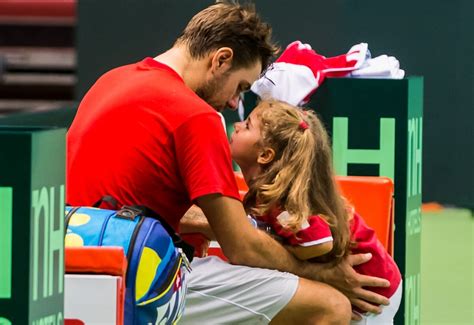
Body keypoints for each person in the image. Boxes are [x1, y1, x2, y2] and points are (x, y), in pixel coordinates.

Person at [67, 1, 389, 323]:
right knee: (329, 305)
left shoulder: (111, 80)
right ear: (221, 59)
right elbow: (242, 248)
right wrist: (323, 273)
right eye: (240, 87)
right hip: (131, 273)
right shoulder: (197, 116)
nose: (235, 102)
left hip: (71, 259)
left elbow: (124, 200)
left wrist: (230, 223)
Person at [230, 99, 402, 324]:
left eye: (248, 125)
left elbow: (318, 242)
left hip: (373, 292)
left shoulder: (284, 200)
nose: (236, 126)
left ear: (265, 155)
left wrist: (279, 249)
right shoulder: (267, 191)